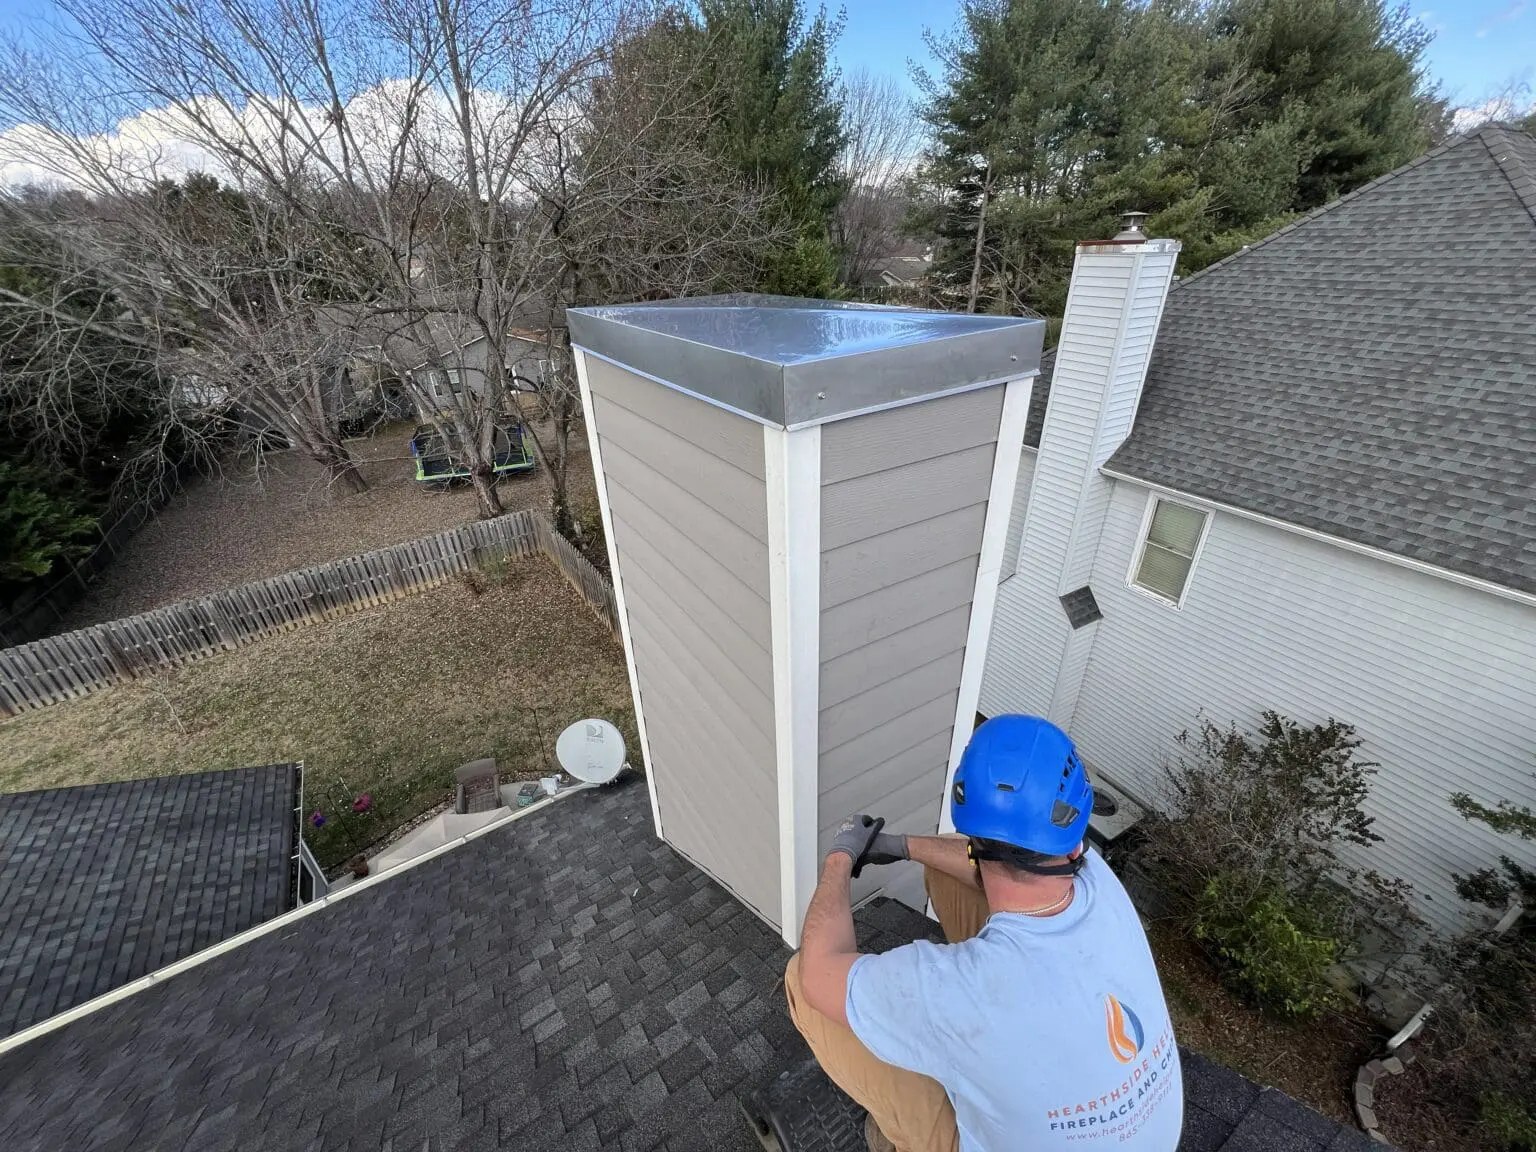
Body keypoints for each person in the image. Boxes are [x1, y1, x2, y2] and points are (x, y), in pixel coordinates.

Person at [786, 714, 1183, 1152]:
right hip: (1152, 1138)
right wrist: (900, 847)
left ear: (972, 835)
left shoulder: (961, 990)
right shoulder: (1097, 879)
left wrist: (840, 858)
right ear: (1072, 841)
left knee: (801, 981)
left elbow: (818, 974)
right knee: (944, 873)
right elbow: (987, 860)